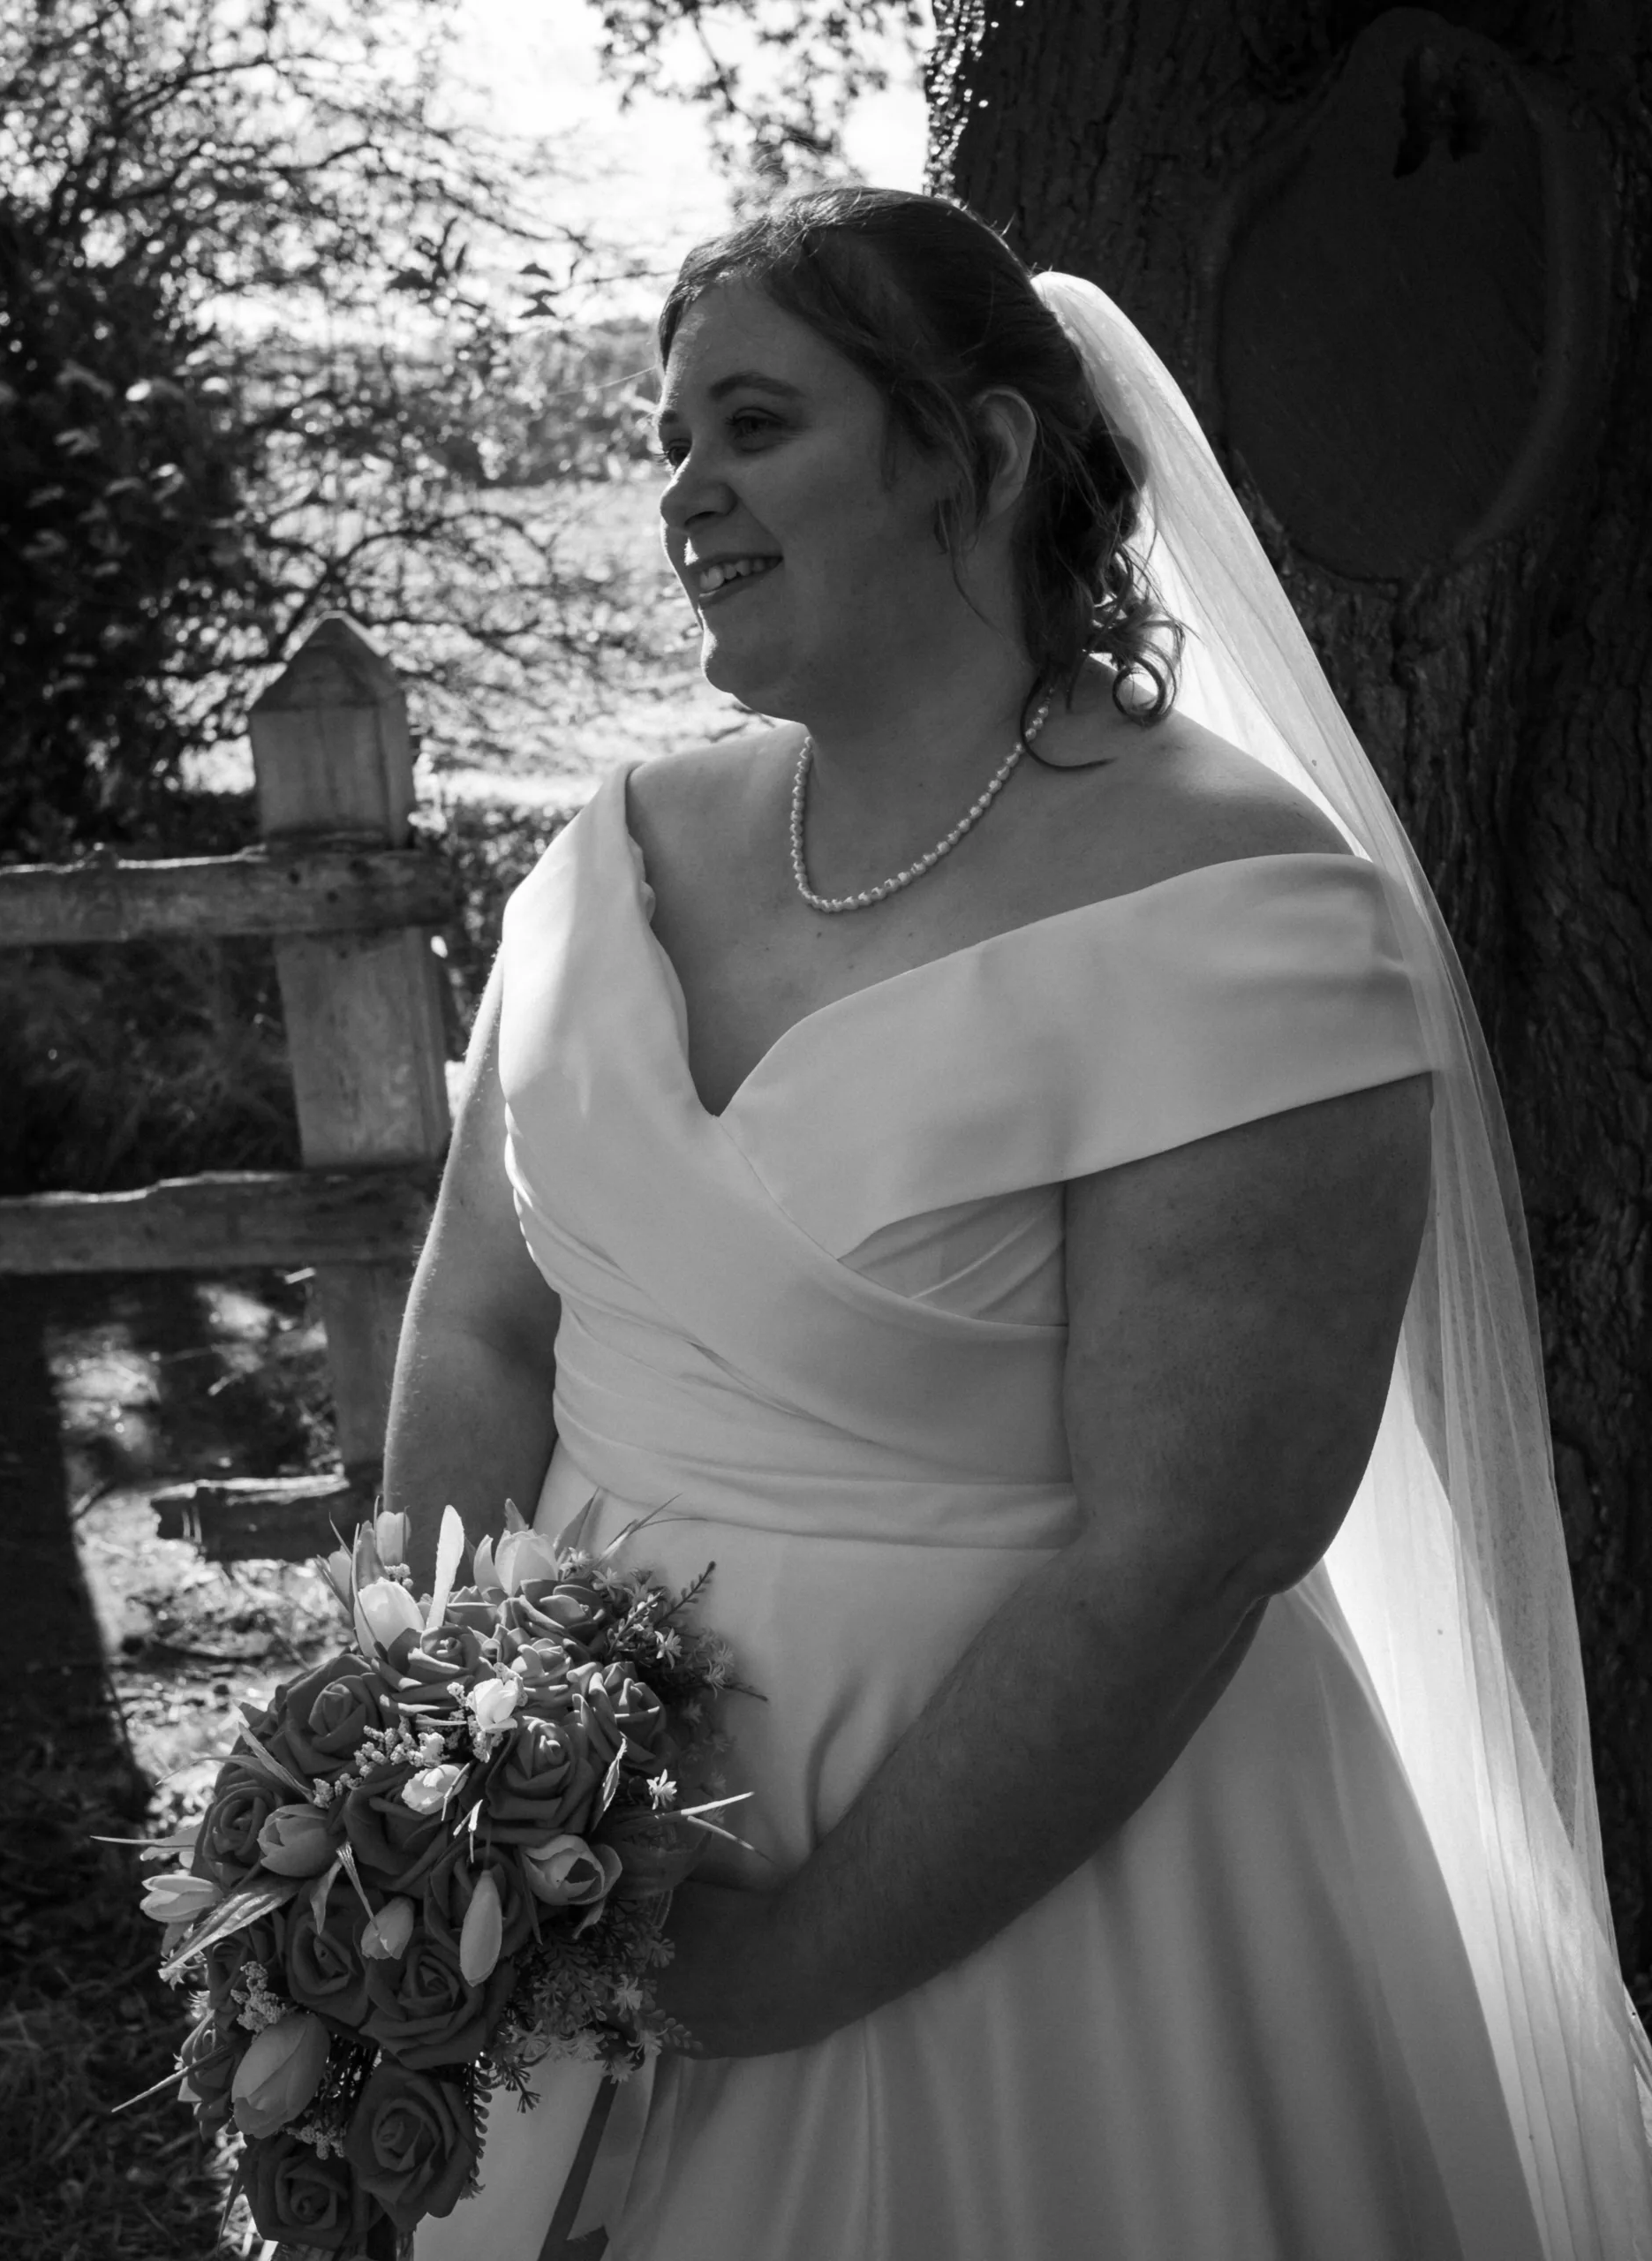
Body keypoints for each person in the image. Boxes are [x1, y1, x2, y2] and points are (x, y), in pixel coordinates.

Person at [392, 188, 1652, 2260]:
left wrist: (790, 1966)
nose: (685, 490)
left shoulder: (1243, 920)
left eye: (756, 424)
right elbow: (481, 1336)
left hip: (1051, 1900)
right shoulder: (605, 858)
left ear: (973, 454)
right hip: (560, 1844)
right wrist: (443, 1765)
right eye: (669, 436)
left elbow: (1186, 1546)